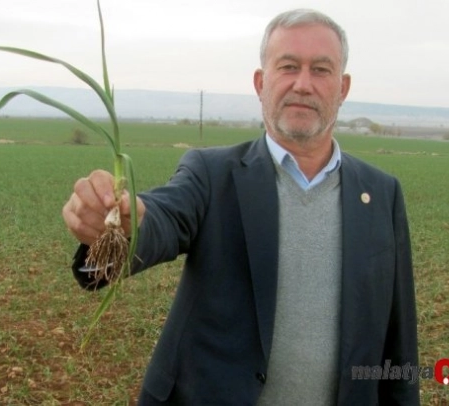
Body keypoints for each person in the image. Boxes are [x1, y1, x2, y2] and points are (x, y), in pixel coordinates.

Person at [62, 8, 419, 406]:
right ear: (261, 83)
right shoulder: (212, 174)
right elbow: (163, 216)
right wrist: (120, 227)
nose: (303, 84)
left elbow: (398, 338)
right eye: (288, 66)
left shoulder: (381, 194)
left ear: (343, 87)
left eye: (321, 70)